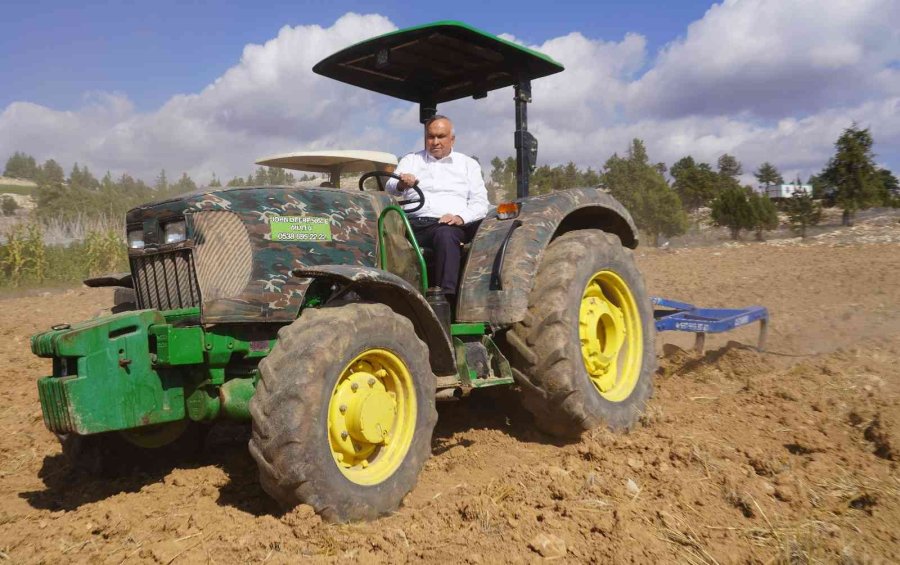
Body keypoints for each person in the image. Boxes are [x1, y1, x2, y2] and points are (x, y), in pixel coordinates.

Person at [386, 115, 489, 301]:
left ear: (452, 139)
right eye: (430, 137)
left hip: (449, 225)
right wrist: (402, 184)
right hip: (412, 225)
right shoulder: (411, 160)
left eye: (441, 136)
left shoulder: (467, 165)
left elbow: (480, 203)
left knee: (446, 234)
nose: (435, 142)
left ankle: (444, 299)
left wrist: (460, 217)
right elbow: (390, 187)